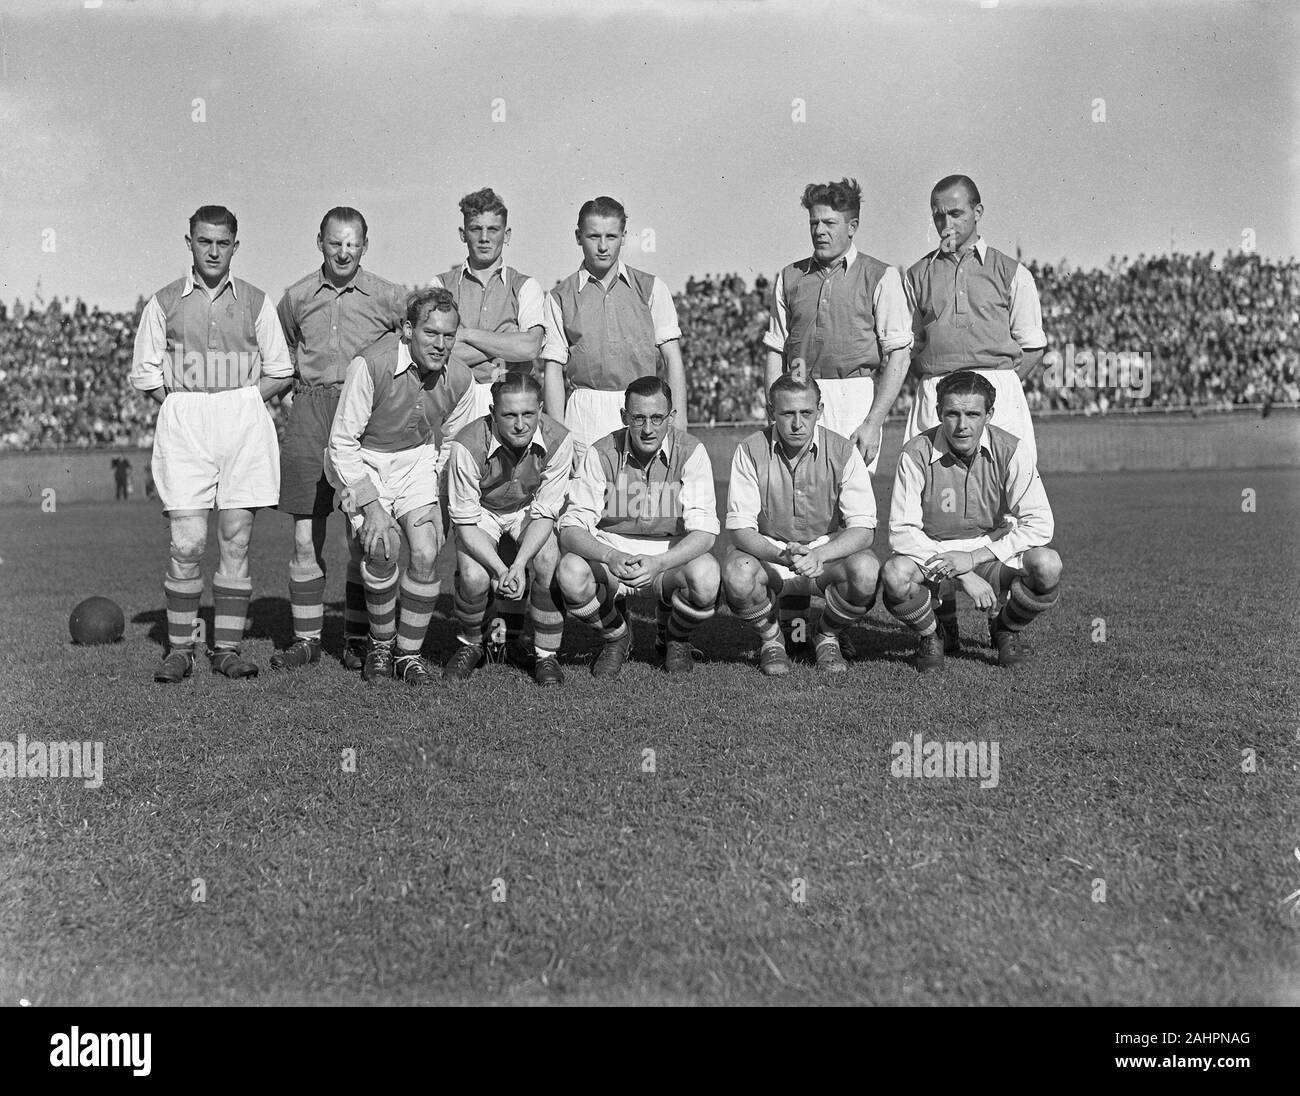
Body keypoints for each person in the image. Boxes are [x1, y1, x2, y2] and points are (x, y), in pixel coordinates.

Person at [131, 205, 293, 684]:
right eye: (205, 242)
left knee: (236, 538)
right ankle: (180, 649)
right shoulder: (163, 301)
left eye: (223, 243)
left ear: (235, 247)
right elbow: (146, 373)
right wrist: (185, 404)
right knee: (187, 541)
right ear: (190, 244)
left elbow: (280, 369)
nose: (214, 251)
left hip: (243, 421)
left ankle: (226, 648)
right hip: (185, 422)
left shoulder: (257, 301)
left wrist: (241, 401)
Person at [903, 175, 1048, 653]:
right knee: (931, 506)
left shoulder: (1011, 271)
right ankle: (942, 620)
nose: (946, 222)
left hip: (996, 390)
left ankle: (1001, 621)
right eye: (938, 214)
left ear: (979, 211)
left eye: (956, 212)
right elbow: (908, 344)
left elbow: (1032, 344)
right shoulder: (918, 274)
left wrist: (993, 392)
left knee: (1004, 503)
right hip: (934, 392)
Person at [273, 207, 408, 672]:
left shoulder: (389, 296)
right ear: (320, 242)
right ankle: (307, 638)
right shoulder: (295, 296)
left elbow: (406, 343)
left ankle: (356, 637)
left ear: (365, 246)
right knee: (305, 534)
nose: (344, 251)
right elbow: (282, 348)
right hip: (310, 410)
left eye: (352, 243)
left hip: (360, 414)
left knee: (360, 535)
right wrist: (297, 399)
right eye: (335, 243)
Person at [325, 287, 477, 684]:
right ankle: (379, 644)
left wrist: (439, 497)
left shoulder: (462, 378)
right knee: (381, 547)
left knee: (426, 551)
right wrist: (372, 507)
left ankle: (407, 655)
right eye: (431, 333)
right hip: (365, 459)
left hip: (417, 460)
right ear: (408, 330)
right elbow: (342, 443)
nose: (440, 344)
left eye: (448, 336)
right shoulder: (370, 364)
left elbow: (456, 443)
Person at [431, 188, 548, 657]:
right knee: (462, 516)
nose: (484, 238)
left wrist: (466, 336)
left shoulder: (526, 285)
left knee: (511, 506)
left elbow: (529, 349)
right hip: (456, 404)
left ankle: (507, 637)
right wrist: (502, 340)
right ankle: (472, 637)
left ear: (507, 234)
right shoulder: (440, 283)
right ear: (463, 232)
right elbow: (434, 347)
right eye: (475, 229)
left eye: (493, 229)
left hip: (509, 403)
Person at [883, 370, 1061, 674]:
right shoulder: (914, 453)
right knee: (894, 574)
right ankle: (934, 633)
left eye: (973, 414)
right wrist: (961, 573)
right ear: (938, 412)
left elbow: (1040, 522)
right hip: (933, 553)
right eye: (952, 413)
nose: (962, 425)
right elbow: (901, 532)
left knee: (1048, 565)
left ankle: (1005, 628)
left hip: (987, 551)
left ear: (989, 414)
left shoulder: (1012, 450)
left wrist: (974, 559)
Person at [556, 376, 719, 677]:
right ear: (624, 417)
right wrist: (610, 556)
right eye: (638, 418)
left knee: (707, 576)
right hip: (614, 549)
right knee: (570, 572)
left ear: (671, 417)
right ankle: (616, 636)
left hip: (668, 554)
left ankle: (675, 637)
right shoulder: (601, 452)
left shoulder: (691, 451)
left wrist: (660, 563)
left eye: (657, 418)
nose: (648, 429)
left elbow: (705, 532)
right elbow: (571, 528)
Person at [723, 373, 880, 676]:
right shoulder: (749, 450)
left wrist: (819, 555)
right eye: (787, 413)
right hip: (773, 553)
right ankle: (772, 640)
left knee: (866, 570)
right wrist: (784, 556)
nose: (798, 423)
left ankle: (827, 633)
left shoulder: (844, 451)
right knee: (737, 572)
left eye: (806, 413)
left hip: (825, 554)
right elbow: (740, 529)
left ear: (819, 410)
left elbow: (863, 530)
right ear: (771, 412)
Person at [762, 178, 913, 469]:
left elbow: (899, 354)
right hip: (798, 393)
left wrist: (873, 422)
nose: (819, 231)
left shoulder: (880, 275)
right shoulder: (788, 276)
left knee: (852, 504)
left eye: (829, 223)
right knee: (797, 497)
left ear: (852, 227)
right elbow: (775, 350)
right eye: (814, 223)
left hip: (853, 395)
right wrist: (773, 411)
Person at [443, 372, 574, 685]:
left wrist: (517, 564)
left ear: (541, 410)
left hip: (527, 509)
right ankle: (471, 643)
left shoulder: (561, 440)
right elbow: (466, 523)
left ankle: (546, 655)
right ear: (492, 413)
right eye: (509, 415)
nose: (520, 424)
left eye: (528, 414)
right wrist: (503, 571)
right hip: (482, 513)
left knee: (547, 559)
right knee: (474, 576)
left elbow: (545, 512)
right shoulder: (466, 444)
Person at [542, 197, 686, 463]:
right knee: (584, 501)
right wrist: (559, 438)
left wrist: (678, 425)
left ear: (624, 237)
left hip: (641, 409)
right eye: (593, 236)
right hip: (585, 412)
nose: (602, 246)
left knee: (641, 499)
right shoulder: (559, 297)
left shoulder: (652, 288)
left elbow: (672, 360)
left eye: (611, 236)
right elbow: (552, 371)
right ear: (578, 236)